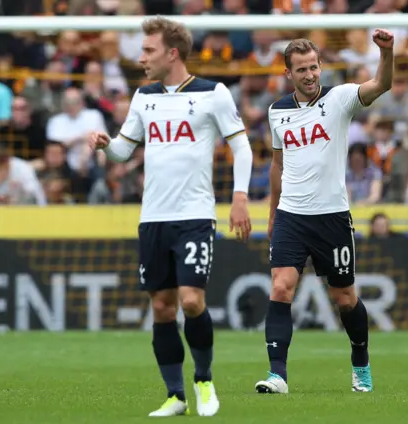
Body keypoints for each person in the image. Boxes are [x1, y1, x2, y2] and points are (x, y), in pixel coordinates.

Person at [88, 16, 253, 417]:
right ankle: (175, 396)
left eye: (148, 50)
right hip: (153, 218)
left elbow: (242, 147)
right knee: (162, 307)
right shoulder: (143, 97)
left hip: (195, 214)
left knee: (192, 300)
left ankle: (204, 380)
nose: (141, 57)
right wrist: (106, 145)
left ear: (172, 53)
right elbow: (125, 151)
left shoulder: (213, 93)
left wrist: (240, 197)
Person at [255, 29, 394, 394]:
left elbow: (382, 83)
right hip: (291, 215)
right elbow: (276, 166)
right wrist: (272, 213)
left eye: (314, 67)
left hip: (332, 216)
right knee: (281, 287)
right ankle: (277, 375)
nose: (310, 74)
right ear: (289, 73)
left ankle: (360, 362)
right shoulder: (277, 112)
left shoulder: (341, 98)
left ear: (321, 67)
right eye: (301, 69)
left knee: (344, 298)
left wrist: (387, 52)